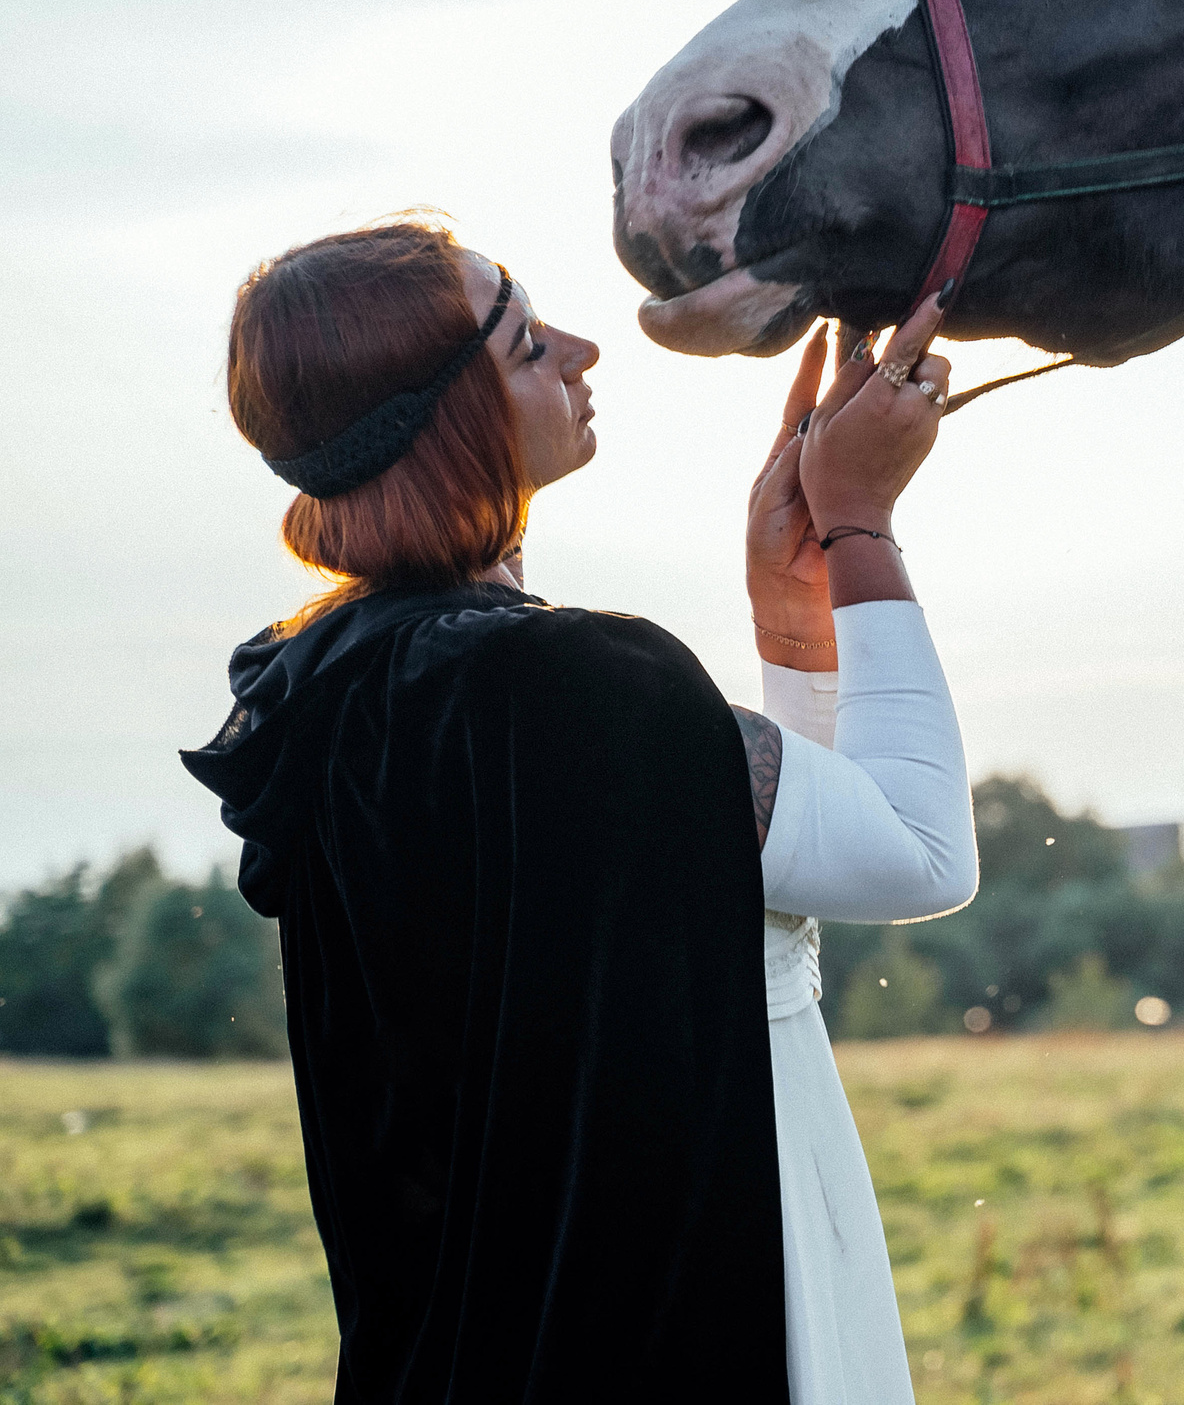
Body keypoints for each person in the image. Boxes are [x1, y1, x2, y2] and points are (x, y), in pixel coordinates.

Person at [180, 217, 975, 1402]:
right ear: (447, 417)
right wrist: (860, 522)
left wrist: (790, 614)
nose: (581, 348)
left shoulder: (324, 694)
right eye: (523, 341)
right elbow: (917, 852)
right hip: (685, 1335)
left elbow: (787, 871)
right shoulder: (577, 688)